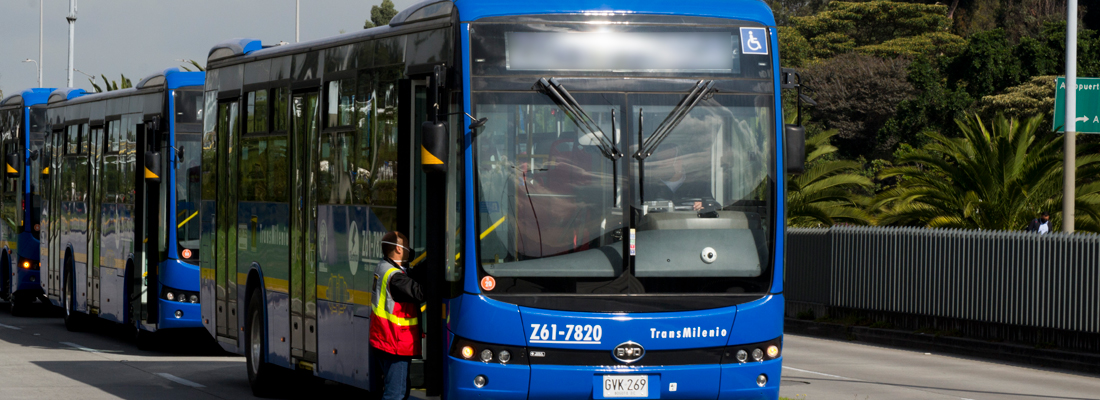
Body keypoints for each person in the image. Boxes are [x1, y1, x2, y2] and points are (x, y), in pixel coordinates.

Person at [370, 231, 426, 400]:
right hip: (395, 343)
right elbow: (419, 292)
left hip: (383, 340)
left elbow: (410, 273)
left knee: (394, 391)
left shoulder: (384, 267)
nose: (410, 250)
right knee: (395, 394)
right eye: (407, 246)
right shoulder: (395, 278)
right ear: (399, 250)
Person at [642, 143, 713, 211]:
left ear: (680, 161)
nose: (663, 164)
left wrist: (703, 206)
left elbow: (715, 207)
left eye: (667, 160)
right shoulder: (649, 187)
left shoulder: (698, 185)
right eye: (660, 160)